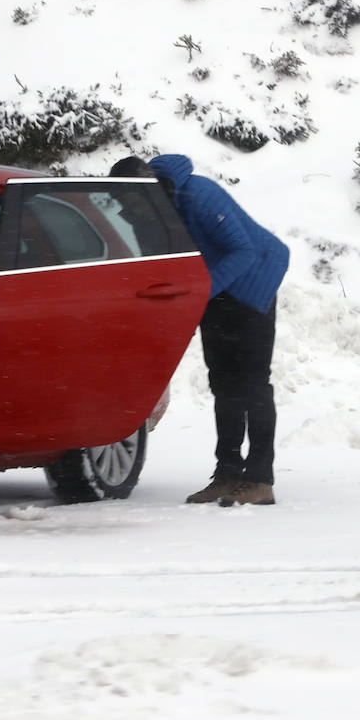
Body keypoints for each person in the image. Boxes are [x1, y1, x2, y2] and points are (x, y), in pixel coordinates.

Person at [110, 154, 289, 506]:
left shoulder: (199, 193)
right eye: (123, 202)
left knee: (251, 383)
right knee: (222, 383)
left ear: (150, 186)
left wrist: (199, 296)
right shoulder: (142, 213)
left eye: (133, 201)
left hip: (254, 282)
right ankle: (226, 474)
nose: (129, 211)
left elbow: (244, 251)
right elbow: (159, 265)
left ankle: (259, 479)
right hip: (213, 289)